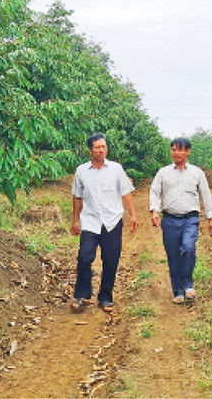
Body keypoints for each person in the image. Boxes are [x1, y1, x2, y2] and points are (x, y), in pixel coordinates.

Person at [69, 133, 137, 313]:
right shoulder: (81, 171)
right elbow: (77, 196)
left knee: (110, 259)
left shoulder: (116, 169)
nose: (101, 150)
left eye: (104, 146)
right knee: (84, 257)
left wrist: (133, 215)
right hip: (90, 220)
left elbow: (126, 193)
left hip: (112, 221)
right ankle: (82, 294)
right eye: (97, 147)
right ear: (90, 149)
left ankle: (105, 296)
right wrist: (75, 220)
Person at [149, 137, 212, 304]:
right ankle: (178, 291)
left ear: (188, 151)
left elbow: (206, 195)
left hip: (190, 219)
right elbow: (154, 192)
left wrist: (211, 218)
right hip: (170, 220)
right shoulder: (163, 173)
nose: (176, 153)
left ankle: (187, 284)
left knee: (188, 249)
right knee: (173, 256)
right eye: (173, 149)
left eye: (180, 150)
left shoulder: (197, 173)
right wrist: (155, 211)